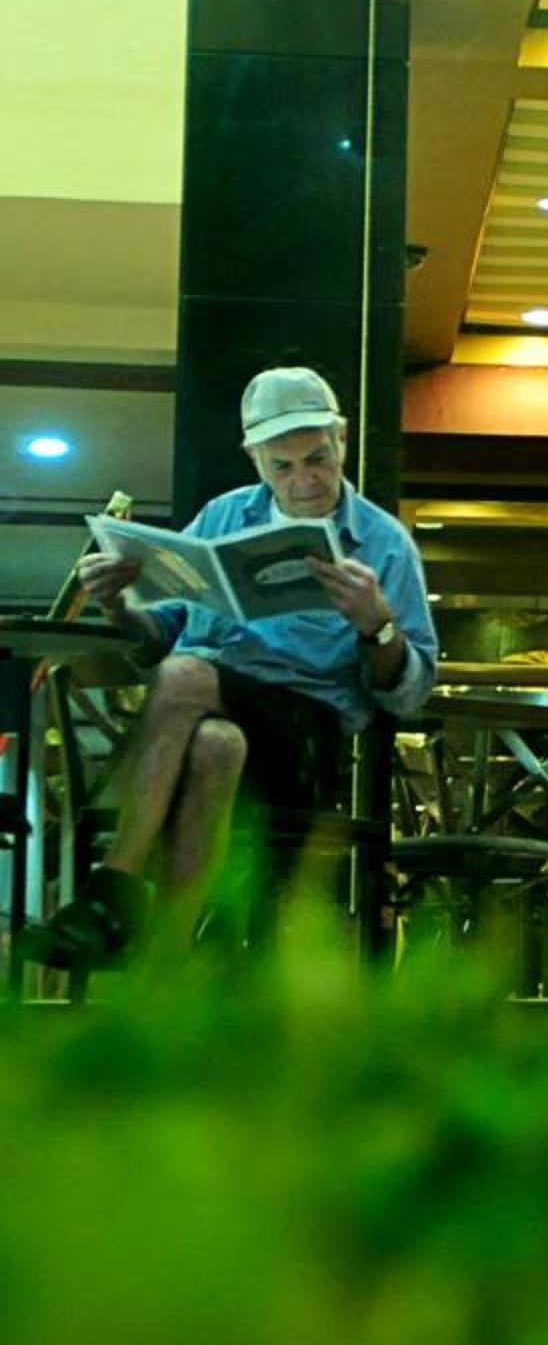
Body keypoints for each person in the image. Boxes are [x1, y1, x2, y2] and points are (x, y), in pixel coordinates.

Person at [46, 366, 439, 959]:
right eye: (283, 466)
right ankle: (170, 961)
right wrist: (119, 604)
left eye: (318, 458)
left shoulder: (384, 544)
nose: (305, 480)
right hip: (206, 728)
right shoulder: (223, 517)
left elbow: (410, 693)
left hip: (304, 740)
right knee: (216, 744)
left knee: (184, 672)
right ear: (254, 459)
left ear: (342, 439)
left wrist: (377, 625)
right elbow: (162, 629)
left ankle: (114, 885)